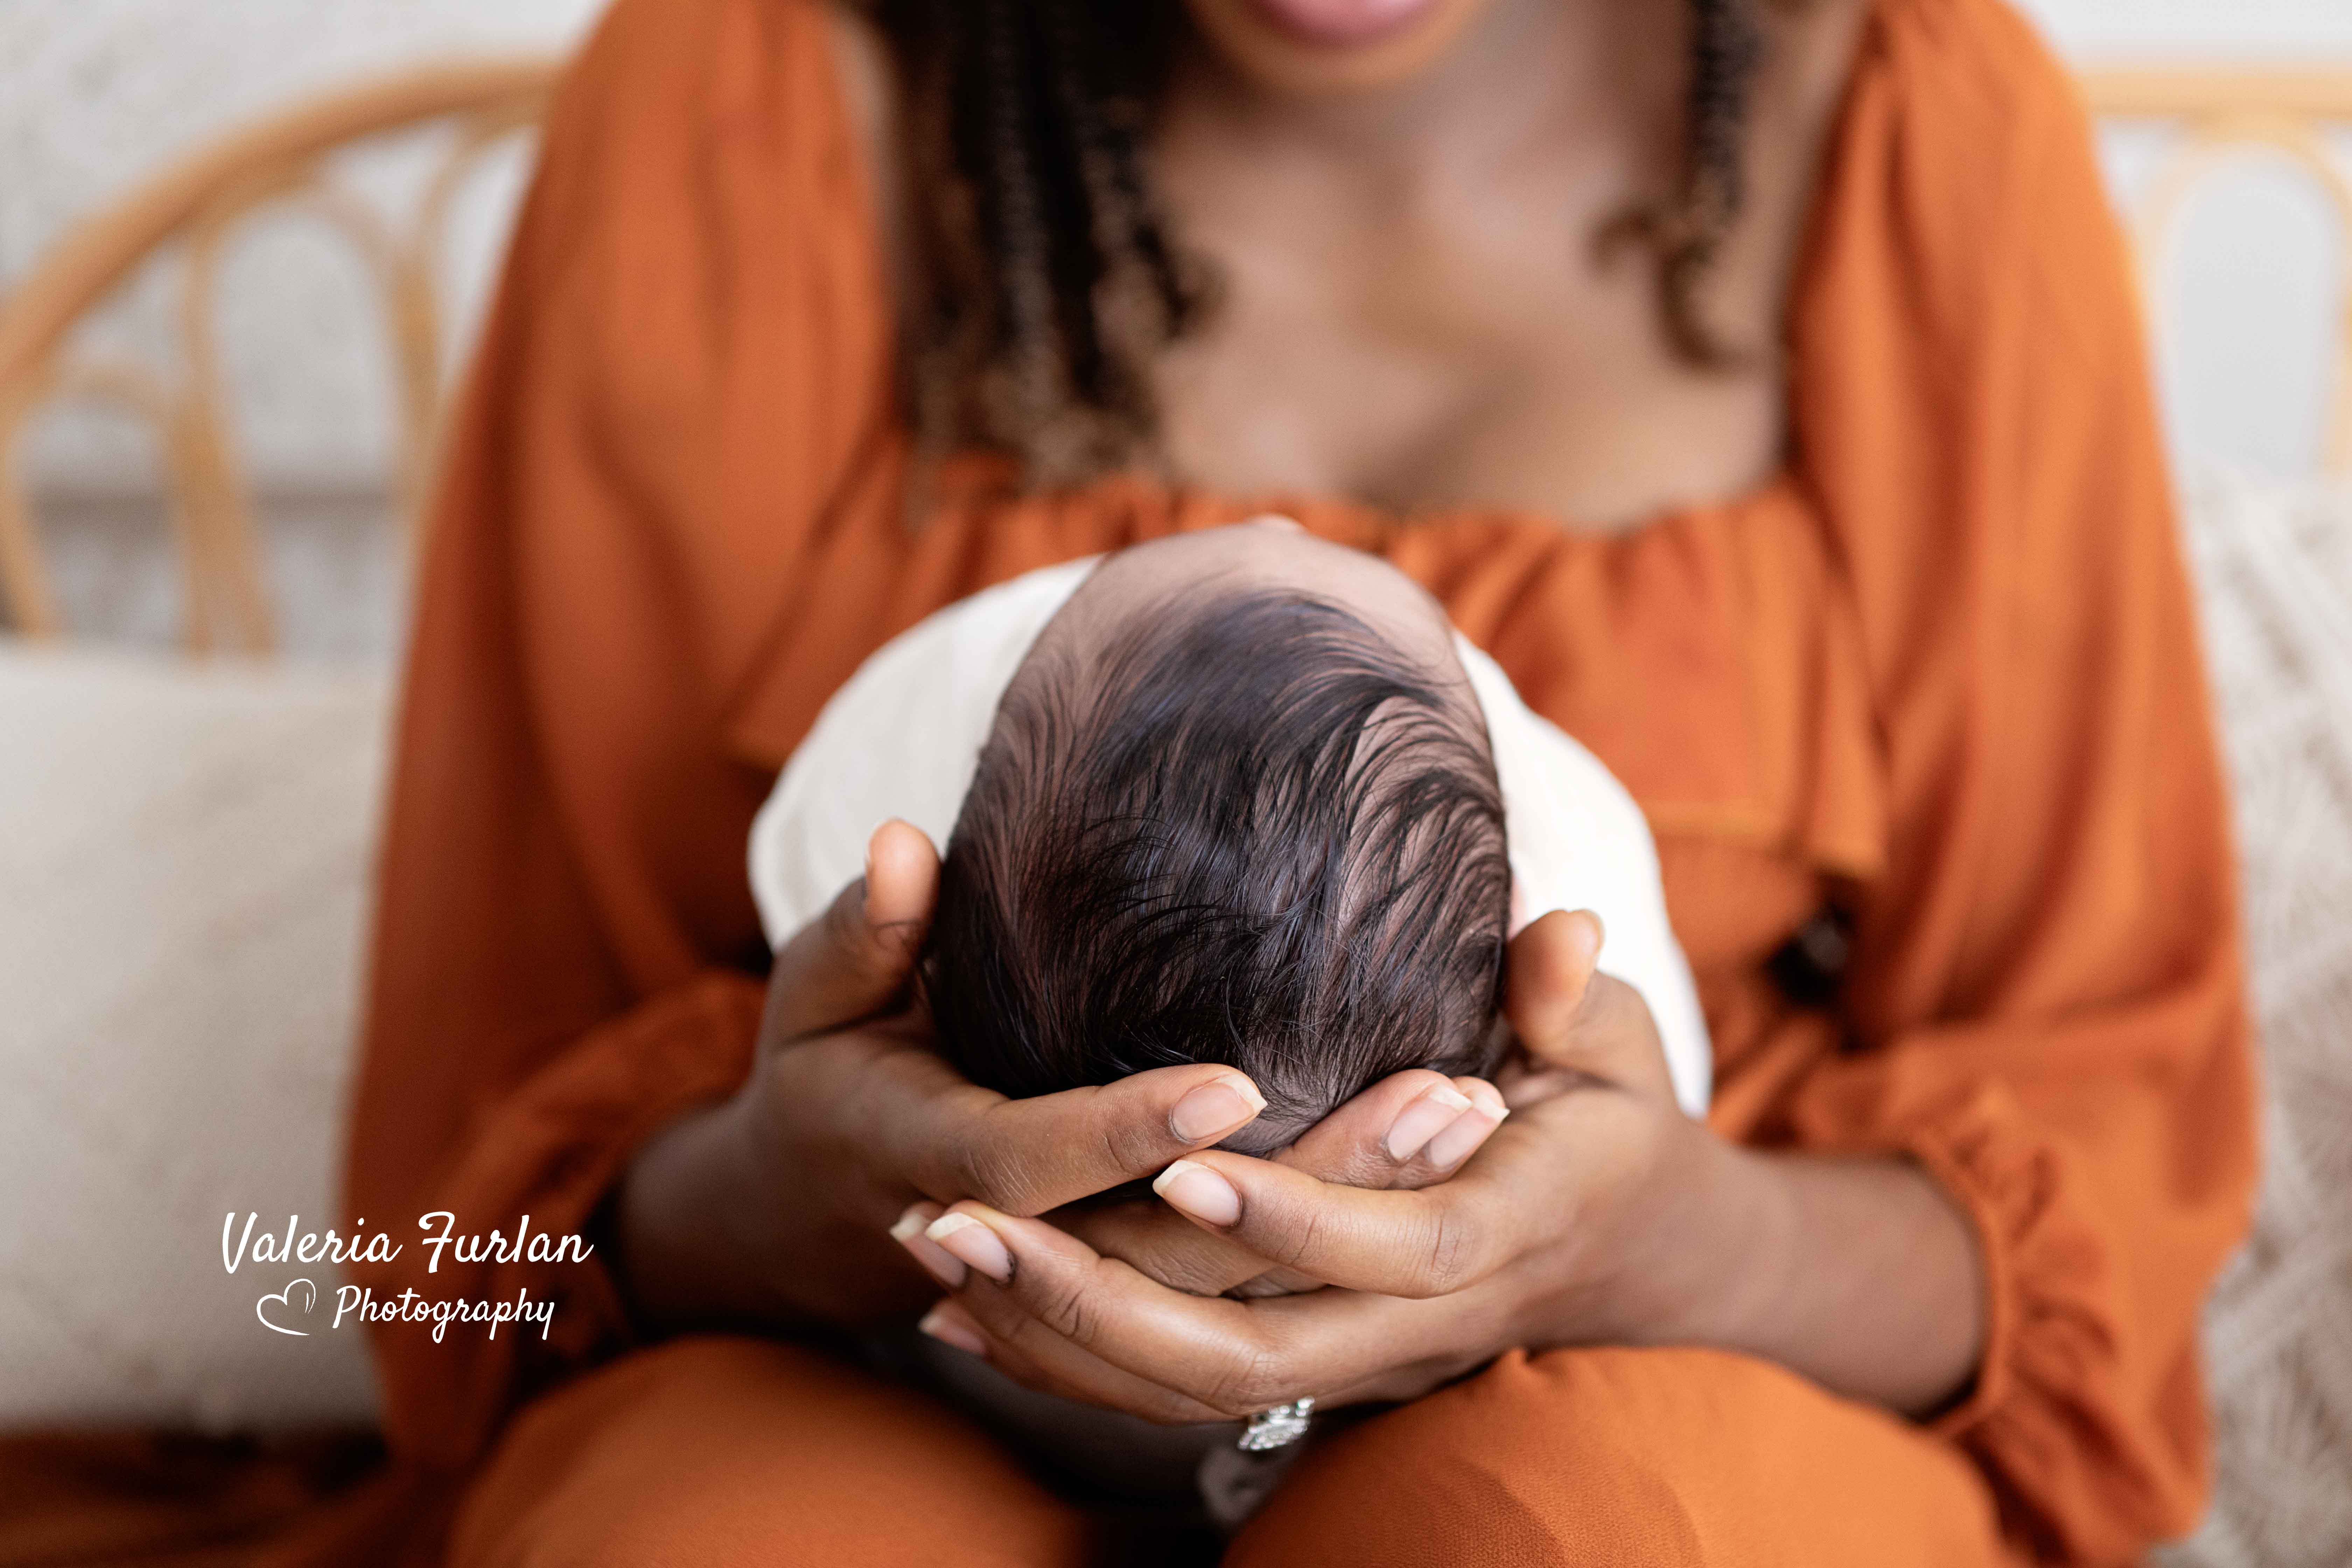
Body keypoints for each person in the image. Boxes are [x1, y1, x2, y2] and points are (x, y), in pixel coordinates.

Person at [331, 0, 2255, 1562]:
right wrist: (807, 1189)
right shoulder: (752, 94)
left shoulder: (1902, 121)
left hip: (1675, 1349)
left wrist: (1671, 1241)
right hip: (847, 1359)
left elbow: (2094, 1183)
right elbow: (459, 1240)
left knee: (1586, 1538)